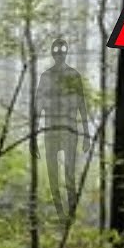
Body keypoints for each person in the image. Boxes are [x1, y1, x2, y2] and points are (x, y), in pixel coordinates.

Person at [37, 37, 89, 219]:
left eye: (62, 51)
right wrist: (34, 136)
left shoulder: (74, 76)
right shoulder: (45, 77)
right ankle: (60, 212)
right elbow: (38, 106)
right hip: (51, 130)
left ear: (66, 53)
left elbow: (82, 105)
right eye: (56, 51)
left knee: (69, 172)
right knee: (53, 173)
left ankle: (71, 212)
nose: (59, 55)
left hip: (69, 130)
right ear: (53, 54)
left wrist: (86, 134)